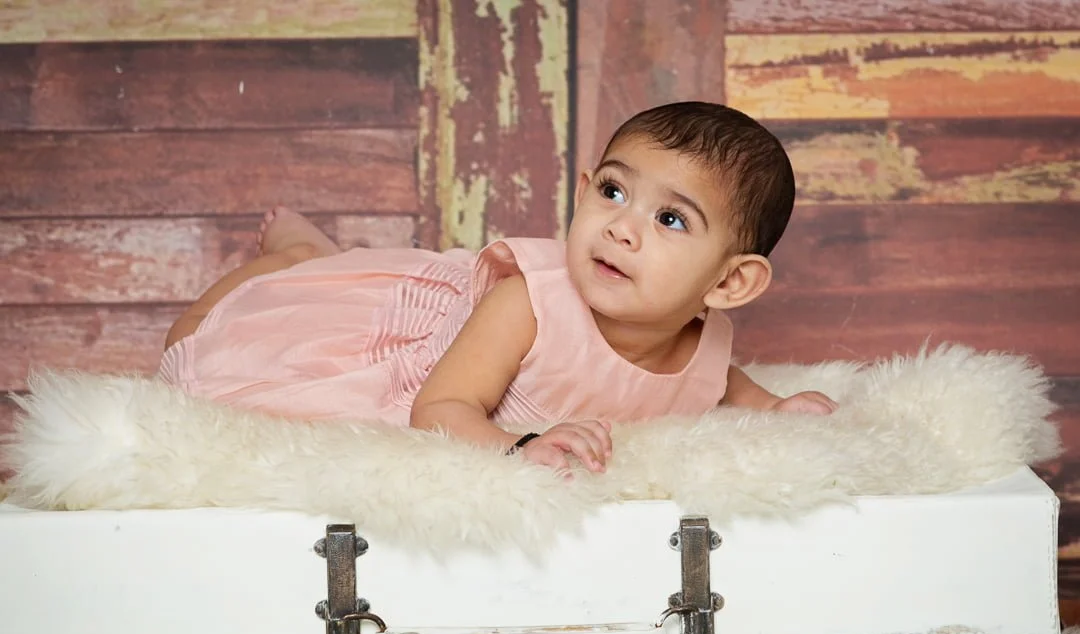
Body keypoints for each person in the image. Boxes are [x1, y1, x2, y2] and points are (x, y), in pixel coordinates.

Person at [161, 101, 836, 474]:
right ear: (583, 193)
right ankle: (300, 253)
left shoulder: (703, 340)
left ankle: (312, 254)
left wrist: (775, 409)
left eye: (668, 218)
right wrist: (517, 449)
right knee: (199, 344)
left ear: (729, 281)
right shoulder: (532, 301)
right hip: (419, 337)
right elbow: (441, 408)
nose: (622, 228)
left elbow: (722, 382)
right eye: (613, 191)